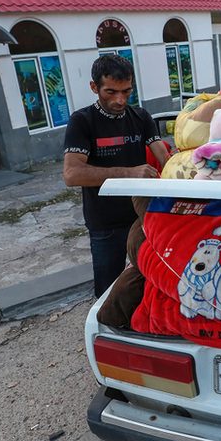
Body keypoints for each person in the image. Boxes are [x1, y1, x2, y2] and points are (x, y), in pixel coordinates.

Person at [64, 54, 169, 298]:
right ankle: (106, 331)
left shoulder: (141, 117)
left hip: (144, 218)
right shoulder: (82, 121)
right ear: (94, 87)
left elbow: (164, 156)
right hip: (105, 223)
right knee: (108, 290)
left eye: (126, 91)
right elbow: (71, 174)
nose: (120, 100)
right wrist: (129, 174)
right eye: (111, 92)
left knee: (146, 281)